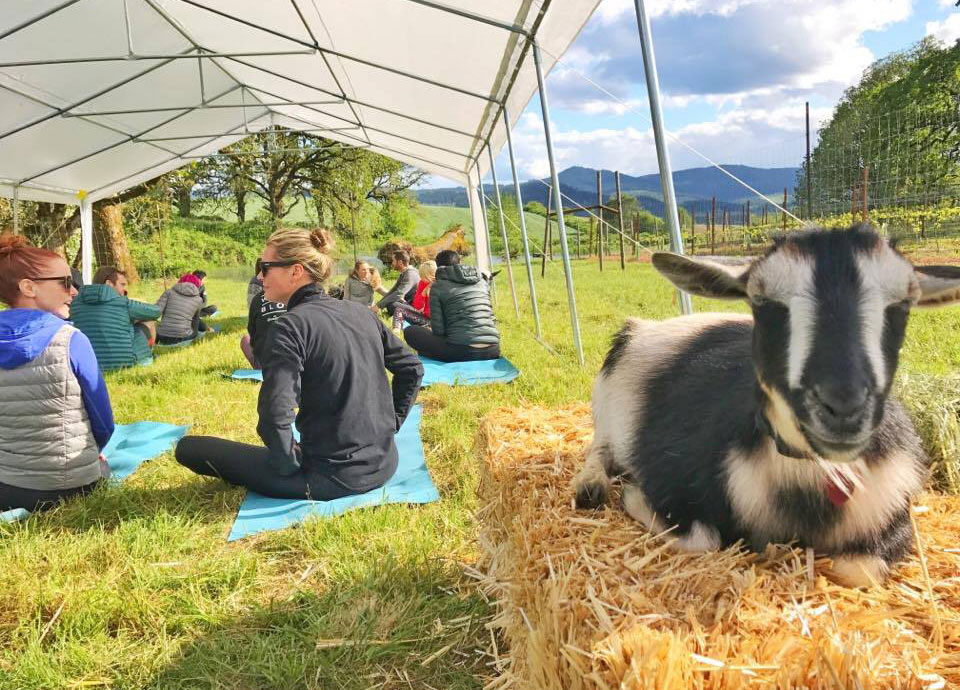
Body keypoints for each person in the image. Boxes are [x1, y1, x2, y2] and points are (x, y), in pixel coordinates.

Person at [175, 228, 424, 500]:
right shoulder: (359, 313)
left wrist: (289, 465)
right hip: (385, 463)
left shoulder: (290, 327)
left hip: (330, 477)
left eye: (265, 267)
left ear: (296, 271)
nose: (259, 276)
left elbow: (274, 414)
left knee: (188, 448)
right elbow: (412, 369)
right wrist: (392, 425)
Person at [0, 234, 114, 512]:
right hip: (72, 487)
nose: (74, 291)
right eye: (65, 282)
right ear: (28, 287)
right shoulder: (71, 339)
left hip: (7, 488)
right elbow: (104, 424)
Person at [403, 250, 501, 362]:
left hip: (462, 350)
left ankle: (434, 354)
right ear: (459, 263)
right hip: (493, 350)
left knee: (410, 331)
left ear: (438, 267)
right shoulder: (482, 282)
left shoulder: (438, 286)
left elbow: (439, 331)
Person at [69, 266, 162, 370]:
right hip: (124, 363)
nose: (124, 290)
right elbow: (156, 312)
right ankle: (147, 357)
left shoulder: (75, 304)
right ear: (109, 284)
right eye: (122, 285)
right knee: (148, 321)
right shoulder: (123, 303)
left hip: (90, 364)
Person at [240, 287, 287, 368]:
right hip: (293, 358)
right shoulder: (295, 293)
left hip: (266, 361)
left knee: (246, 339)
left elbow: (252, 330)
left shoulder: (257, 299)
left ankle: (261, 368)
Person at [155, 273, 205, 345]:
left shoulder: (168, 292)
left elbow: (156, 312)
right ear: (197, 285)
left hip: (160, 336)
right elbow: (195, 321)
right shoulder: (199, 300)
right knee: (197, 321)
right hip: (182, 337)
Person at [392, 260, 436, 330]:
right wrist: (423, 293)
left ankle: (422, 328)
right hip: (424, 317)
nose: (422, 278)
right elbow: (417, 306)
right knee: (398, 309)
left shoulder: (441, 285)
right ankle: (396, 330)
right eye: (421, 276)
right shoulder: (422, 283)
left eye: (424, 276)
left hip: (435, 322)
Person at [374, 251, 419, 316]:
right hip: (408, 304)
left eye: (393, 261)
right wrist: (378, 305)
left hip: (416, 309)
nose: (392, 263)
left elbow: (399, 293)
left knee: (392, 305)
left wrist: (378, 306)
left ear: (400, 262)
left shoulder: (410, 274)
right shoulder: (405, 273)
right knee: (390, 303)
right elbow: (393, 291)